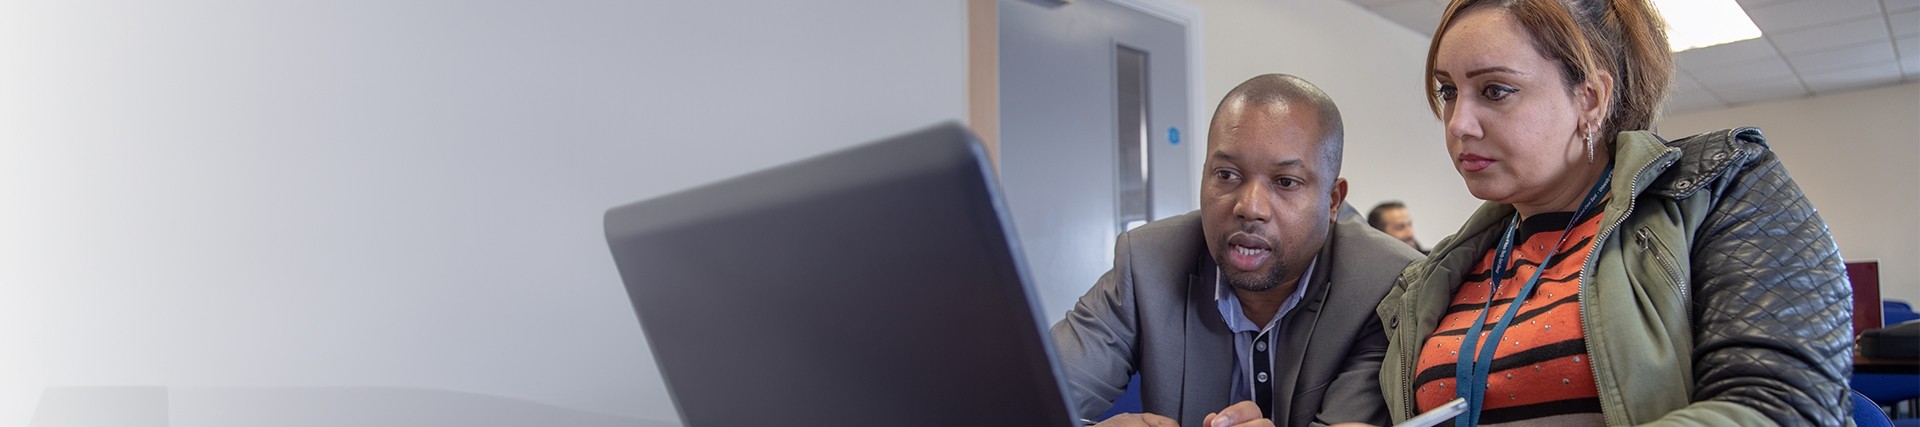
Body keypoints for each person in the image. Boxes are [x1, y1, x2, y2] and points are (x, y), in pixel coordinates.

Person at [1370, 0, 1854, 425]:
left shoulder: (1721, 186)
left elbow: (1784, 405)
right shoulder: (1437, 276)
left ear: (1590, 99)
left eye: (1495, 90)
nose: (1459, 124)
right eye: (1449, 91)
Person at [1052, 74, 1422, 427]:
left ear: (1332, 201)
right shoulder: (1148, 262)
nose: (1250, 207)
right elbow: (1025, 399)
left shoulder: (1387, 286)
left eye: (1285, 182)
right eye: (1227, 175)